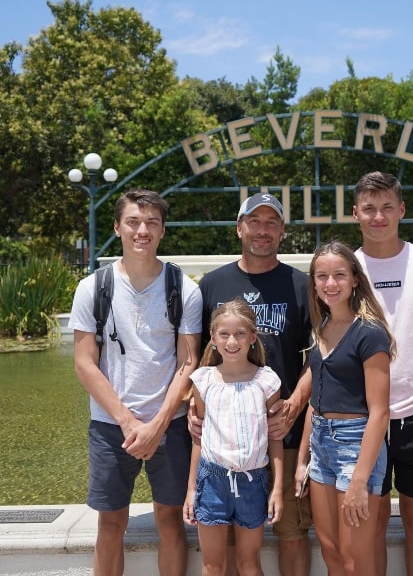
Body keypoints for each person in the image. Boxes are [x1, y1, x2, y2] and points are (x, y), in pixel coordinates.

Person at [69, 188, 203, 576]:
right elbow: (84, 364)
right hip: (112, 427)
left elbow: (188, 362)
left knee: (170, 521)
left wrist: (158, 424)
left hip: (171, 425)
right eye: (133, 222)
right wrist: (129, 423)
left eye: (151, 223)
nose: (142, 230)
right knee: (110, 524)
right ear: (117, 228)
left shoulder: (184, 289)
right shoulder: (93, 288)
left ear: (162, 231)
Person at [195, 192, 313, 576]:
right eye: (254, 221)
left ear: (281, 231)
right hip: (227, 445)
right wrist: (191, 412)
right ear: (239, 227)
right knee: (228, 545)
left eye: (271, 222)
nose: (262, 230)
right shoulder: (212, 284)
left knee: (291, 531)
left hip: (284, 434)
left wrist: (295, 403)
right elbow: (196, 359)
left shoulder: (302, 285)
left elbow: (320, 356)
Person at [352, 171, 413, 576]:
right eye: (369, 209)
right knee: (372, 521)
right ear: (356, 213)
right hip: (363, 417)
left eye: (387, 207)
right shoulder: (346, 269)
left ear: (401, 209)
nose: (378, 216)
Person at [295, 240, 394, 576]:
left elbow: (380, 412)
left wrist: (359, 482)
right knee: (332, 552)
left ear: (354, 279)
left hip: (356, 446)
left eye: (339, 274)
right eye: (321, 276)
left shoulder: (369, 333)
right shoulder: (322, 328)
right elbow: (315, 402)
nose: (330, 283)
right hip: (321, 445)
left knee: (356, 561)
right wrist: (303, 460)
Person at [183, 299, 284, 576]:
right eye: (224, 334)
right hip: (212, 481)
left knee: (249, 563)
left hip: (253, 482)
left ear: (253, 337)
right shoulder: (203, 380)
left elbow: (275, 437)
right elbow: (198, 438)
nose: (232, 341)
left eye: (239, 334)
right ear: (213, 338)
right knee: (213, 565)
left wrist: (276, 489)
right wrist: (192, 490)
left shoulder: (266, 381)